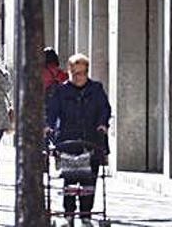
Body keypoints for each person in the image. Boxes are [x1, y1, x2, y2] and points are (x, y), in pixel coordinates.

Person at [45, 53, 111, 224]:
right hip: (69, 140)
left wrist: (103, 124)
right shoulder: (61, 90)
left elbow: (105, 109)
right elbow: (52, 111)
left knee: (89, 180)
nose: (78, 77)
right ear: (69, 72)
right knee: (70, 179)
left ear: (87, 72)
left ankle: (86, 214)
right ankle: (69, 214)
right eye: (74, 73)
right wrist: (49, 125)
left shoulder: (96, 89)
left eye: (81, 73)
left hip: (91, 140)